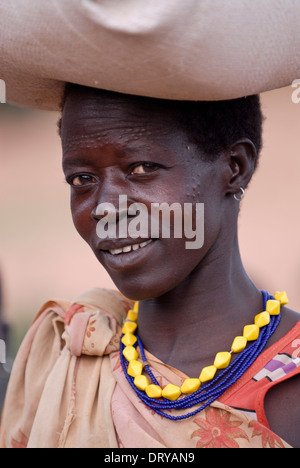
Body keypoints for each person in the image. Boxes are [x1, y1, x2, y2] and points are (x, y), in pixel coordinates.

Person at [0, 84, 299, 449]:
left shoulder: (290, 389)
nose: (106, 208)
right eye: (83, 179)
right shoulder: (66, 353)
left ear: (234, 167)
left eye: (141, 169)